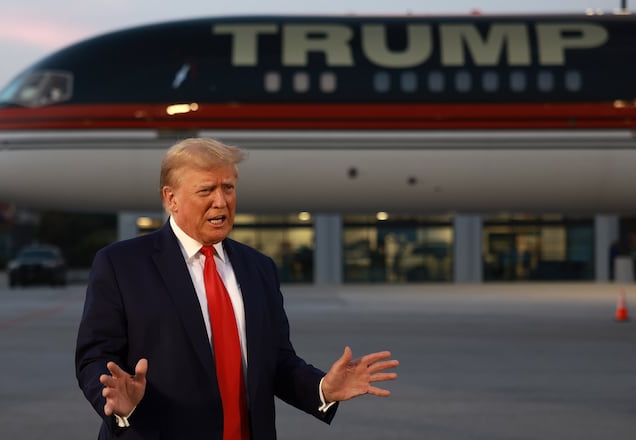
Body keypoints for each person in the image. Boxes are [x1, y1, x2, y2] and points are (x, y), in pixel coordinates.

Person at [75, 137, 398, 439]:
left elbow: (277, 361)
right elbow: (95, 356)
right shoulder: (122, 264)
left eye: (228, 187)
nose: (221, 201)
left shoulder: (259, 268)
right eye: (207, 190)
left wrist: (323, 388)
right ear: (170, 198)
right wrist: (117, 400)